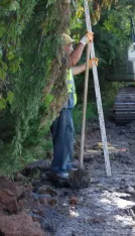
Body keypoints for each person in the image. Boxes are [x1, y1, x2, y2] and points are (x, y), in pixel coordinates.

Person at [49, 32, 97, 184]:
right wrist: (83, 42)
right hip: (60, 106)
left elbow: (71, 70)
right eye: (70, 46)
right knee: (63, 138)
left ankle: (66, 166)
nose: (71, 48)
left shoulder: (63, 64)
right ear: (62, 48)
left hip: (66, 106)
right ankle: (60, 170)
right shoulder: (57, 62)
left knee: (68, 138)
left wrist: (86, 66)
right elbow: (72, 62)